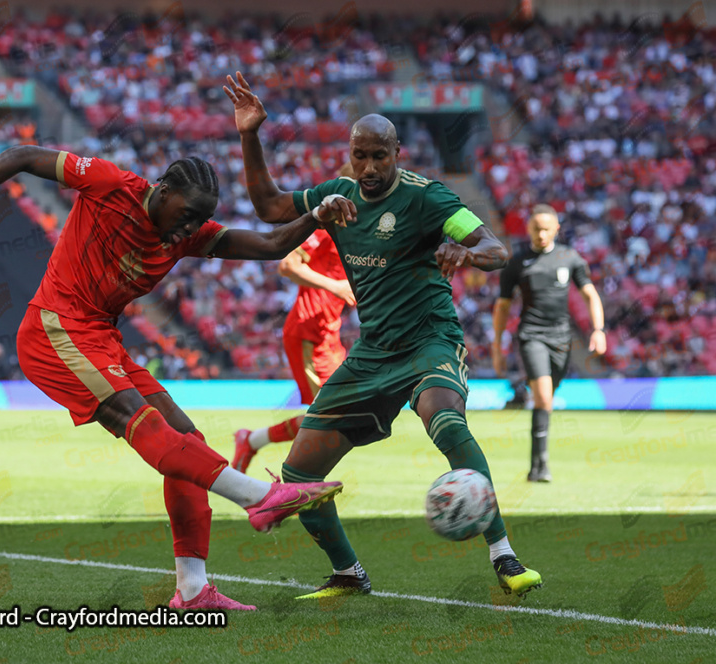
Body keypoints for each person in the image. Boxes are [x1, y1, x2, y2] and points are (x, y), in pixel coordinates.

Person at [0, 145, 352, 611]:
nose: (188, 228)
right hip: (55, 330)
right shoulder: (108, 184)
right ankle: (259, 497)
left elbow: (269, 245)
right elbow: (21, 156)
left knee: (188, 437)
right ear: (162, 191)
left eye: (198, 220)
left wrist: (318, 215)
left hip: (102, 340)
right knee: (146, 425)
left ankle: (192, 590)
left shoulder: (184, 236)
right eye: (185, 214)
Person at [224, 71, 542, 599]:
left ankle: (504, 556)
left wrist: (465, 252)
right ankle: (349, 573)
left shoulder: (426, 198)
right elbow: (270, 209)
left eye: (380, 156)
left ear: (398, 152)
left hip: (429, 339)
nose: (369, 168)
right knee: (298, 475)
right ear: (349, 154)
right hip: (373, 351)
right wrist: (249, 134)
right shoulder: (336, 197)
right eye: (360, 156)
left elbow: (495, 249)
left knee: (444, 419)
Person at [492, 205, 606, 482]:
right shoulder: (517, 262)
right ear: (529, 229)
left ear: (556, 229)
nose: (541, 234)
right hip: (532, 335)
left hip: (562, 338)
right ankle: (539, 465)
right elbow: (503, 306)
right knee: (542, 396)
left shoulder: (570, 258)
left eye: (546, 228)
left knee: (548, 399)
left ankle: (538, 463)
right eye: (535, 229)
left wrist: (598, 329)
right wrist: (497, 345)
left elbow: (590, 295)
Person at [232, 229, 354, 473]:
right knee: (326, 416)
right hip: (307, 334)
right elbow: (287, 266)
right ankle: (300, 480)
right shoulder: (327, 227)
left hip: (330, 334)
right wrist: (336, 287)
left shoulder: (364, 229)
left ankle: (252, 441)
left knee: (345, 413)